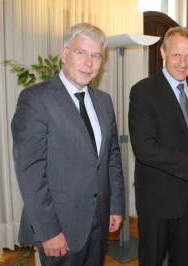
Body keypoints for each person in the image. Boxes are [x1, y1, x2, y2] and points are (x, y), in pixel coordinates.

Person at [11, 23, 125, 266]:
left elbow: (112, 157)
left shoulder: (104, 101)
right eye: (80, 53)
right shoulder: (35, 100)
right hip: (60, 226)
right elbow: (30, 173)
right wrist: (48, 231)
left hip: (99, 219)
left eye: (95, 56)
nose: (89, 62)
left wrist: (115, 206)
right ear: (64, 54)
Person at [128, 26, 188, 266]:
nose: (183, 63)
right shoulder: (143, 91)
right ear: (163, 53)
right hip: (156, 199)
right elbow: (144, 148)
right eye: (176, 54)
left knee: (185, 259)